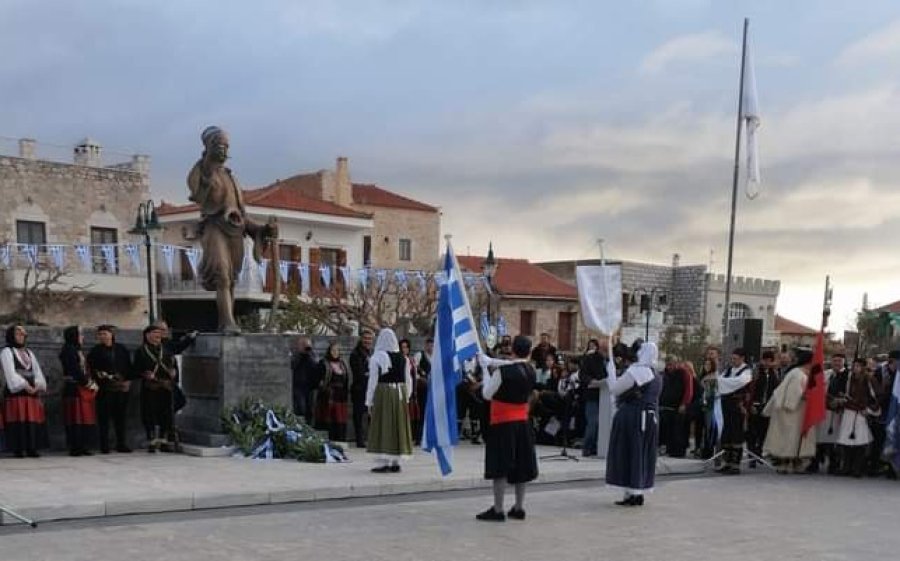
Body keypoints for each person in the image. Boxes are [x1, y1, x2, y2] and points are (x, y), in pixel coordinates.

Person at [186, 125, 274, 333]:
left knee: (231, 280)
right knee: (222, 276)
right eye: (219, 145)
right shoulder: (202, 171)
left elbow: (242, 214)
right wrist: (208, 162)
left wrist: (262, 229)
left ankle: (228, 321)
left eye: (226, 146)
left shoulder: (232, 178)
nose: (224, 150)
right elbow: (200, 192)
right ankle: (226, 322)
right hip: (214, 228)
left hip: (235, 232)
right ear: (208, 146)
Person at [475, 335, 539, 521]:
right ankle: (518, 507)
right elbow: (516, 364)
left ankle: (498, 509)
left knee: (500, 466)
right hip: (523, 422)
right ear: (529, 351)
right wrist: (493, 362)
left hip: (503, 422)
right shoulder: (531, 371)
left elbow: (487, 395)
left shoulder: (502, 372)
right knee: (521, 466)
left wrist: (488, 374)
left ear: (512, 349)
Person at [605, 339, 662, 507]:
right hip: (649, 417)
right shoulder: (656, 374)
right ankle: (635, 492)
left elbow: (616, 389)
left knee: (629, 452)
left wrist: (611, 373)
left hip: (634, 417)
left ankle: (633, 492)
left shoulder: (639, 371)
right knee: (641, 453)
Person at [365, 328, 414, 473]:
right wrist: (407, 397)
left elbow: (372, 381)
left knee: (383, 425)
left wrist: (369, 401)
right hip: (400, 393)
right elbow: (408, 380)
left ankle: (383, 462)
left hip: (384, 393)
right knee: (397, 426)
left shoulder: (377, 357)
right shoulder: (403, 358)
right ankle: (395, 461)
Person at [763, 347, 816, 474]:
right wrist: (807, 396)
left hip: (798, 411)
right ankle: (785, 465)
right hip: (789, 412)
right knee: (788, 438)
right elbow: (793, 395)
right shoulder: (797, 374)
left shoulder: (804, 373)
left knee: (796, 438)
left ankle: (795, 463)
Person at [1, 325, 48, 458]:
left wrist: (37, 385)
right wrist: (25, 385)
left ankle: (31, 447)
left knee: (31, 421)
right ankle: (18, 449)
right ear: (11, 336)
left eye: (23, 334)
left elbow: (37, 371)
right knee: (18, 420)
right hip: (17, 392)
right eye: (18, 334)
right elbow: (10, 373)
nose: (21, 336)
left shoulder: (29, 353)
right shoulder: (7, 352)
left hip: (31, 392)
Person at [86, 324, 134, 453]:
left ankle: (121, 443)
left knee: (121, 417)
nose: (102, 336)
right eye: (100, 334)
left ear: (112, 335)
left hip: (120, 387)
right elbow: (91, 369)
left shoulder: (121, 349)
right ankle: (104, 445)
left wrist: (127, 381)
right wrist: (100, 376)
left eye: (105, 334)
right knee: (104, 418)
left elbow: (129, 367)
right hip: (104, 389)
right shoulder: (95, 351)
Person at [133, 325, 177, 453]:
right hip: (150, 386)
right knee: (149, 413)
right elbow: (135, 370)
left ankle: (163, 441)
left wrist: (174, 373)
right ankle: (152, 441)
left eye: (160, 333)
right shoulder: (141, 351)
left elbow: (174, 367)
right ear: (147, 335)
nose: (158, 335)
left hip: (165, 386)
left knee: (165, 413)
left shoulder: (167, 350)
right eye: (155, 333)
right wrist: (144, 374)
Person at [834, 358, 877, 477]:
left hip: (861, 413)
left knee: (860, 442)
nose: (855, 368)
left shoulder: (869, 379)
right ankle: (846, 467)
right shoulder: (848, 378)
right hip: (848, 412)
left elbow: (876, 397)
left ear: (863, 367)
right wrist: (842, 399)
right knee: (846, 441)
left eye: (858, 366)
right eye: (854, 366)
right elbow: (840, 392)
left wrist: (869, 409)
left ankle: (857, 469)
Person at [59, 326, 98, 457]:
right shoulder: (68, 350)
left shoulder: (77, 350)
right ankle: (76, 446)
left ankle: (83, 445)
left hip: (81, 388)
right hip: (74, 388)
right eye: (80, 334)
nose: (82, 337)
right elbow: (74, 370)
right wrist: (88, 383)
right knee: (76, 418)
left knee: (84, 418)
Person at [716, 348, 753, 474]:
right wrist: (725, 382)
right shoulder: (728, 370)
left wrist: (724, 382)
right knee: (727, 433)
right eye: (732, 358)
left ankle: (735, 464)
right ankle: (727, 462)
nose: (733, 361)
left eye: (735, 358)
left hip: (738, 405)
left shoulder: (747, 371)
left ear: (742, 358)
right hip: (726, 404)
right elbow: (719, 381)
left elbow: (739, 382)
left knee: (736, 433)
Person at [812, 353, 848, 474]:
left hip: (838, 412)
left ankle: (834, 465)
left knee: (834, 441)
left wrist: (840, 401)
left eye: (839, 361)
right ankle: (815, 463)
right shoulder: (826, 374)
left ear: (844, 362)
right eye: (835, 361)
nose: (837, 363)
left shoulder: (848, 375)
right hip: (824, 409)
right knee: (820, 438)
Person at [745, 350, 781, 467]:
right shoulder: (755, 372)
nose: (767, 363)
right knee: (752, 433)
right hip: (755, 405)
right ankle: (751, 457)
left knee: (763, 432)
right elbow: (749, 390)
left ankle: (758, 452)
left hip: (768, 406)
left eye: (770, 361)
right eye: (765, 360)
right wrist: (750, 405)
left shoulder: (774, 374)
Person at [315, 341, 350, 442]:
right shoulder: (324, 363)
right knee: (328, 417)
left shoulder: (343, 364)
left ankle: (340, 439)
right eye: (333, 350)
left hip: (340, 395)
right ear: (329, 351)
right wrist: (325, 389)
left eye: (337, 350)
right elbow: (319, 380)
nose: (335, 352)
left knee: (340, 418)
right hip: (328, 396)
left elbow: (346, 379)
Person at [658, 358, 693, 458]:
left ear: (676, 364)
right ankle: (669, 449)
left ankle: (678, 452)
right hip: (666, 406)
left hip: (679, 407)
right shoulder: (664, 374)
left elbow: (688, 390)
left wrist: (684, 403)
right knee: (668, 430)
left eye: (671, 365)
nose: (669, 367)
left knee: (678, 430)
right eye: (668, 365)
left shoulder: (684, 373)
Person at [579, 338, 607, 457]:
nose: (606, 352)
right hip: (593, 395)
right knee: (593, 422)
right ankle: (587, 447)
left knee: (603, 423)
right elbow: (582, 375)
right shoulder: (590, 359)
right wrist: (592, 381)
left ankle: (597, 447)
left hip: (606, 397)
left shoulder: (611, 360)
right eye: (604, 350)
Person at [349, 330, 374, 448]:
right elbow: (358, 372)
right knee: (359, 415)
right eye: (366, 338)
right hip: (360, 389)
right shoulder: (355, 354)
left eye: (370, 339)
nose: (367, 341)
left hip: (371, 388)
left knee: (371, 415)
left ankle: (372, 438)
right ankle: (360, 439)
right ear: (361, 339)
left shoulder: (372, 353)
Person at [291, 337, 319, 423]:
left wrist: (309, 354)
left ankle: (309, 426)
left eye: (307, 345)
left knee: (310, 409)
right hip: (299, 387)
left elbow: (316, 366)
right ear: (299, 346)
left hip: (310, 387)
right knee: (301, 409)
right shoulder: (295, 355)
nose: (306, 347)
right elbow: (293, 365)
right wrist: (301, 354)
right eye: (303, 344)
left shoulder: (312, 355)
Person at [399, 339, 422, 445]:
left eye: (406, 347)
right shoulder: (399, 359)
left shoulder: (411, 360)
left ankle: (415, 437)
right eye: (403, 347)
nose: (405, 349)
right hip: (403, 390)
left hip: (413, 391)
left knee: (414, 415)